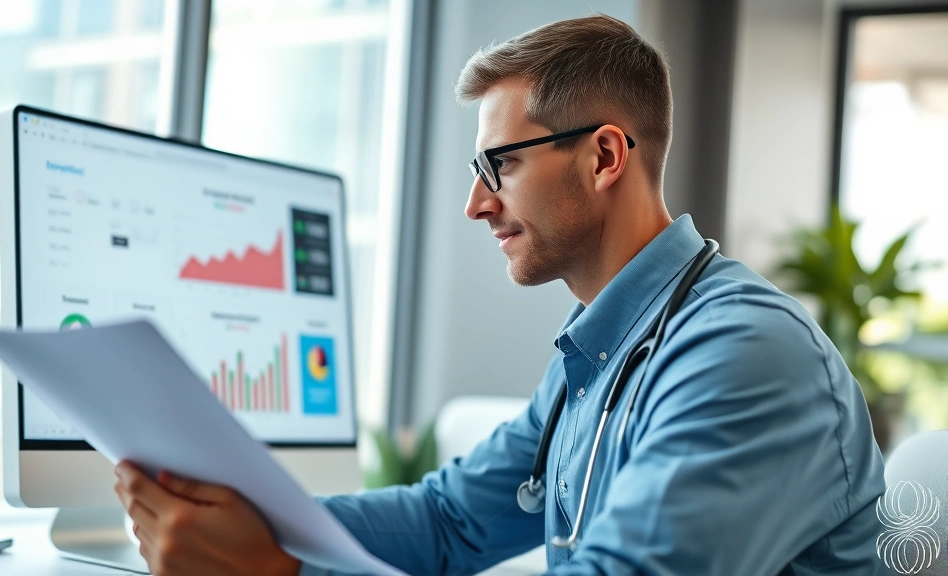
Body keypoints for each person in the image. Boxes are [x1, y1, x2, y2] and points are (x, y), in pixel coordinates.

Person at [114, 14, 888, 576]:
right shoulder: (599, 348)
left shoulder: (744, 353)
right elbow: (448, 520)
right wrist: (264, 530)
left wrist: (273, 572)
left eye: (499, 167)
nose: (475, 205)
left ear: (604, 156)